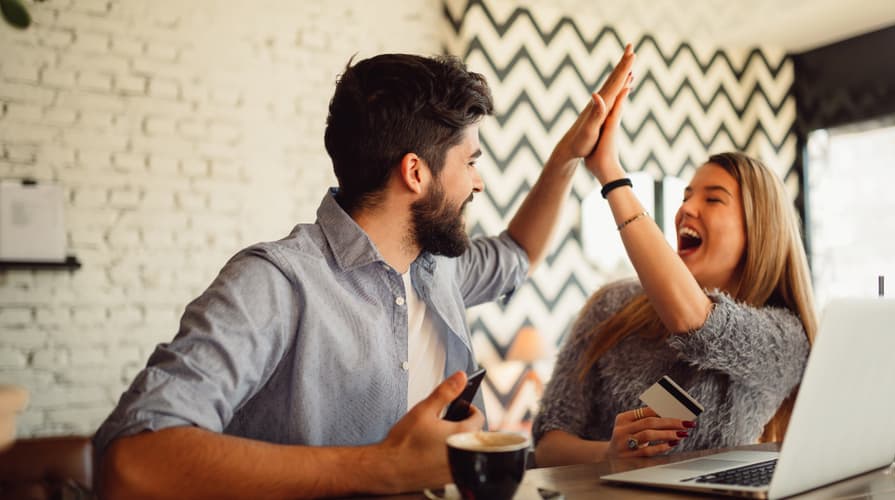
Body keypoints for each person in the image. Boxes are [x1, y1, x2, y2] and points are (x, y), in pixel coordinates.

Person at [94, 47, 635, 499]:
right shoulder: (276, 283)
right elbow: (132, 462)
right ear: (415, 172)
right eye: (470, 161)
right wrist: (382, 465)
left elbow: (518, 251)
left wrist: (569, 155)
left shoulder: (438, 268)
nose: (479, 183)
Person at [531, 75, 818, 467]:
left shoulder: (786, 337)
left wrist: (612, 176)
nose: (687, 209)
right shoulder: (611, 305)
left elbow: (697, 322)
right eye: (686, 196)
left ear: (760, 230)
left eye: (713, 199)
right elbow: (548, 445)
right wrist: (610, 454)